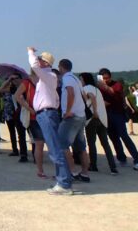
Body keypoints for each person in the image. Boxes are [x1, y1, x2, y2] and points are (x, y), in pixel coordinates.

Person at [28, 47, 73, 195]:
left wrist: (30, 52)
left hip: (46, 114)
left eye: (40, 60)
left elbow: (34, 66)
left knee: (55, 149)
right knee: (55, 148)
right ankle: (64, 181)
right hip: (46, 114)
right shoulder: (48, 77)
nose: (38, 62)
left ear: (46, 63)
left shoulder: (49, 76)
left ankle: (64, 183)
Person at [97, 68, 138, 170]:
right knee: (114, 138)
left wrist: (104, 86)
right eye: (104, 78)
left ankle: (136, 159)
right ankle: (121, 158)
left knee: (124, 136)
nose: (105, 80)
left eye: (107, 78)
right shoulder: (100, 87)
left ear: (110, 77)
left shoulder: (117, 85)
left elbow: (114, 93)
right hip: (107, 115)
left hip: (118, 114)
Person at [58, 58, 90, 182]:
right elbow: (84, 96)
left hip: (72, 116)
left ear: (61, 67)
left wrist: (68, 110)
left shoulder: (67, 78)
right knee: (81, 147)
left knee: (63, 144)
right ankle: (85, 173)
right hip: (81, 115)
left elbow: (70, 93)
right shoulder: (76, 79)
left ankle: (72, 171)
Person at [80, 72, 117, 175]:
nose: (80, 81)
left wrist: (94, 111)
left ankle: (93, 165)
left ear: (84, 80)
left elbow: (91, 97)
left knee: (92, 143)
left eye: (81, 79)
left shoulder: (86, 88)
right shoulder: (97, 89)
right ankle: (113, 167)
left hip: (92, 118)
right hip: (102, 119)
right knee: (105, 144)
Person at [15, 72, 47, 178]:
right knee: (41, 143)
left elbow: (17, 96)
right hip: (42, 114)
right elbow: (17, 96)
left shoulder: (28, 82)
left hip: (36, 114)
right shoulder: (44, 79)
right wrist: (29, 108)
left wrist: (29, 108)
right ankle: (40, 168)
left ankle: (40, 169)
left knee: (38, 143)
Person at [0, 74, 28, 162]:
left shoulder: (25, 87)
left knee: (30, 134)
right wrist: (9, 80)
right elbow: (0, 90)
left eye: (16, 78)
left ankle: (33, 154)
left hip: (26, 111)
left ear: (21, 79)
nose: (14, 80)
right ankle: (23, 154)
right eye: (13, 79)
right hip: (17, 113)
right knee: (20, 134)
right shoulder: (12, 89)